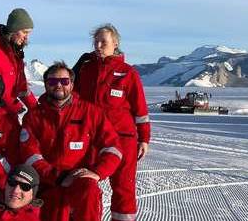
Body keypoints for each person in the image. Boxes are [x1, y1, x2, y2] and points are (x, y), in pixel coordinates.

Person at [20, 61, 122, 220]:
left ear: (72, 84)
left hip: (80, 181)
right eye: (53, 81)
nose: (58, 85)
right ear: (46, 85)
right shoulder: (34, 117)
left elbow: (113, 147)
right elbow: (29, 154)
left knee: (90, 190)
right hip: (47, 182)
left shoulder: (91, 113)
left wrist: (97, 173)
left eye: (64, 81)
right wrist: (59, 177)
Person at [73, 24, 151, 221]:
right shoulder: (86, 70)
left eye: (103, 42)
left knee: (123, 189)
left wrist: (144, 139)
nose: (98, 46)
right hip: (91, 138)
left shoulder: (128, 73)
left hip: (122, 139)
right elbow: (74, 101)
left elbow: (140, 111)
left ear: (115, 44)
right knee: (84, 181)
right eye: (96, 42)